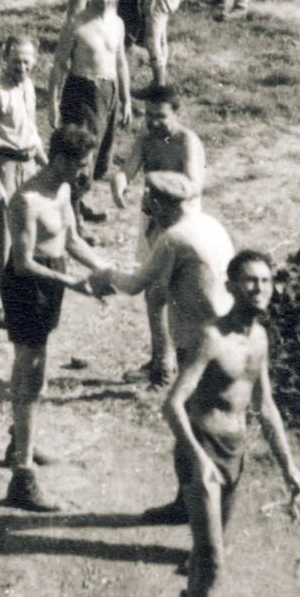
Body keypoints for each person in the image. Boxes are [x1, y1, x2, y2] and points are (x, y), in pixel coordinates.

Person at [163, 250, 300, 597]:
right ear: (230, 285)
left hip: (234, 454)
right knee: (214, 560)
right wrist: (198, 459)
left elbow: (265, 405)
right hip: (203, 451)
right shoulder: (211, 337)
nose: (260, 288)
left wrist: (289, 467)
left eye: (266, 281)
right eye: (250, 280)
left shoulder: (259, 339)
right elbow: (172, 404)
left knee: (206, 554)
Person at [92, 172, 235, 520]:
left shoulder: (174, 238)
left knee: (204, 438)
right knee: (195, 431)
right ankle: (184, 505)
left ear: (158, 204)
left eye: (149, 203)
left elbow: (134, 285)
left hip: (201, 347)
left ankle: (209, 538)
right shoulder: (209, 225)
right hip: (226, 337)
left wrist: (104, 275)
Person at [2, 125, 112, 511]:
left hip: (51, 281)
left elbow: (70, 240)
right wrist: (74, 282)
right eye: (80, 164)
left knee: (32, 367)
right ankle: (22, 477)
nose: (85, 172)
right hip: (27, 285)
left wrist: (104, 269)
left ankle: (19, 442)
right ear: (61, 159)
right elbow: (22, 262)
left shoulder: (64, 190)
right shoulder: (26, 200)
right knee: (32, 373)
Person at [112, 86, 206, 386]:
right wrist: (119, 182)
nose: (154, 122)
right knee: (154, 292)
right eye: (148, 116)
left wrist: (159, 186)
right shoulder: (145, 140)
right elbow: (126, 169)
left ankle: (175, 365)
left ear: (177, 112)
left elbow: (193, 185)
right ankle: (160, 361)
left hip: (180, 224)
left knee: (175, 293)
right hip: (153, 220)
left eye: (161, 116)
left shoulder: (187, 141)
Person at [0, 35, 47, 328]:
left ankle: (15, 299)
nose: (22, 67)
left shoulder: (28, 87)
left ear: (35, 62)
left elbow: (32, 131)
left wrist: (45, 162)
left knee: (24, 234)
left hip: (27, 165)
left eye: (27, 61)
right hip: (3, 165)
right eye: (16, 60)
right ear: (5, 58)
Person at [48, 0, 132, 219]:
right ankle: (72, 218)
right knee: (81, 155)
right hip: (83, 91)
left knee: (101, 158)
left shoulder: (117, 22)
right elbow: (59, 64)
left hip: (110, 93)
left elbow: (121, 63)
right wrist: (52, 102)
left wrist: (126, 100)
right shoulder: (76, 24)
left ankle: (76, 205)